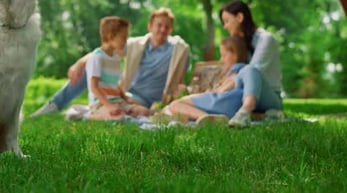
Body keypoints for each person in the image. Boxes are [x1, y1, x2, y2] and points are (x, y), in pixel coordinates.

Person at [31, 7, 190, 117]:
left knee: (120, 106)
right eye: (159, 25)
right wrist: (80, 63)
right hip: (127, 93)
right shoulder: (136, 45)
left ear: (171, 30)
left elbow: (180, 79)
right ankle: (54, 105)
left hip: (148, 99)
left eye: (167, 27)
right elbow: (106, 49)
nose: (162, 30)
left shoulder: (177, 51)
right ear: (150, 26)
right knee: (90, 67)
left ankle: (93, 111)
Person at [219, 0, 283, 127]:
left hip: (268, 96)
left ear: (239, 17)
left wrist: (224, 88)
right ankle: (264, 115)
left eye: (227, 21)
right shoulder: (242, 43)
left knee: (249, 70)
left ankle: (245, 112)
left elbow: (252, 72)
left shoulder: (266, 39)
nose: (225, 26)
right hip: (245, 92)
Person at [158, 36, 248, 125]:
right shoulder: (234, 71)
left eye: (224, 55)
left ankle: (209, 119)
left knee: (175, 105)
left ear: (235, 55)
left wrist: (215, 91)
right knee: (170, 108)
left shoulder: (238, 69)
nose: (221, 59)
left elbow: (232, 83)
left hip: (223, 102)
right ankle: (178, 118)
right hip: (222, 104)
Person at [85, 16, 149, 120]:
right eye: (123, 37)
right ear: (111, 37)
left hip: (117, 101)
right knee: (118, 117)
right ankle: (92, 116)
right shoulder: (97, 57)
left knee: (144, 111)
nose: (126, 41)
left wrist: (126, 98)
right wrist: (109, 105)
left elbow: (115, 85)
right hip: (100, 104)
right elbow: (94, 87)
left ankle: (125, 116)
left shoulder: (116, 58)